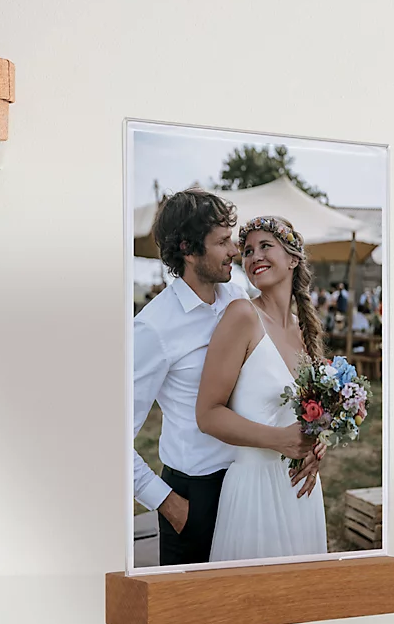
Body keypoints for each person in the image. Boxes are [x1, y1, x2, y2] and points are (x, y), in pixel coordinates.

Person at [133, 190, 319, 566]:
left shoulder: (237, 296)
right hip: (194, 495)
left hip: (251, 484)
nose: (235, 251)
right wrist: (167, 502)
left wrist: (311, 443)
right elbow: (111, 436)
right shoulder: (153, 327)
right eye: (222, 242)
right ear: (188, 250)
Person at [197, 215, 328, 562]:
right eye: (248, 251)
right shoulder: (242, 315)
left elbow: (310, 414)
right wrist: (279, 440)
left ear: (293, 259)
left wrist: (317, 445)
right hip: (254, 491)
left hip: (300, 490)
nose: (254, 256)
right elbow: (208, 415)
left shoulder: (304, 331)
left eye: (265, 246)